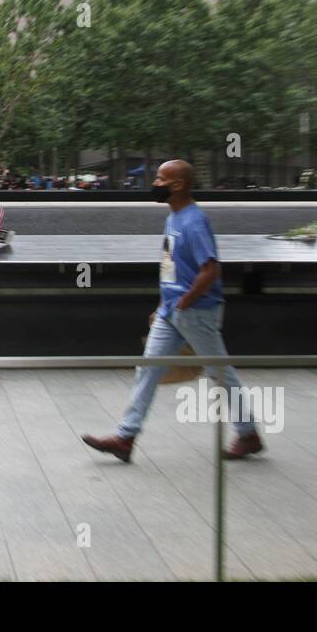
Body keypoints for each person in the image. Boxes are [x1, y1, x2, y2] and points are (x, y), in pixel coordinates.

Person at [82, 159, 262, 463]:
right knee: (149, 368)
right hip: (173, 311)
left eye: (160, 179)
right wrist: (163, 305)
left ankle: (248, 434)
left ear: (177, 185)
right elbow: (172, 268)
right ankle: (125, 438)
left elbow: (210, 271)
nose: (155, 184)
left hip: (196, 312)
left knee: (220, 372)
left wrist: (183, 303)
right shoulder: (174, 217)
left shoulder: (194, 221)